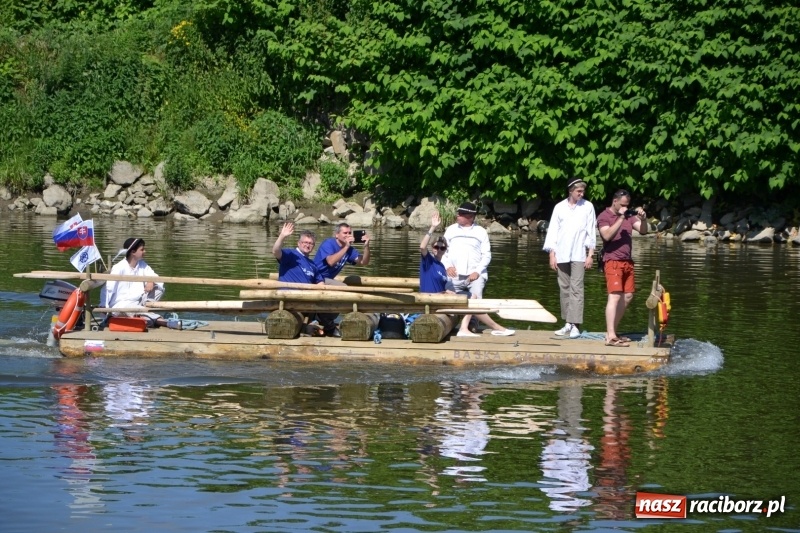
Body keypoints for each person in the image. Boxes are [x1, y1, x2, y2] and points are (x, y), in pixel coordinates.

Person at [443, 202, 514, 337]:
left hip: (475, 274)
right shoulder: (451, 230)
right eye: (458, 213)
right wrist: (448, 266)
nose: (457, 215)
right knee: (449, 299)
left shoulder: (480, 231)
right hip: (454, 274)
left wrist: (477, 271)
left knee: (476, 299)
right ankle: (485, 327)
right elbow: (442, 252)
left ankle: (471, 325)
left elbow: (487, 255)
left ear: (470, 216)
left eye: (461, 214)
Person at [542, 178, 597, 339]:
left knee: (577, 288)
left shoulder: (588, 207)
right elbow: (553, 231)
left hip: (579, 253)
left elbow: (590, 231)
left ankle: (576, 325)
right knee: (564, 287)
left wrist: (590, 255)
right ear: (570, 191)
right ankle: (567, 322)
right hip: (562, 252)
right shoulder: (559, 207)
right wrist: (552, 254)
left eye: (583, 191)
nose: (581, 194)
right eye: (578, 191)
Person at [596, 189, 647, 347]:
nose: (625, 207)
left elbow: (644, 231)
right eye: (623, 204)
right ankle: (610, 336)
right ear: (615, 201)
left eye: (628, 205)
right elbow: (606, 236)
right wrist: (621, 217)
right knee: (615, 296)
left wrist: (643, 219)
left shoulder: (629, 216)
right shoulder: (604, 216)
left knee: (628, 296)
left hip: (627, 262)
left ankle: (613, 332)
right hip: (612, 261)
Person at [312, 222, 371, 336]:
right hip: (316, 278)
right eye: (345, 233)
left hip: (327, 280)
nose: (348, 235)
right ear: (337, 235)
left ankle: (324, 319)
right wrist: (346, 247)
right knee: (344, 289)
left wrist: (366, 246)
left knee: (341, 294)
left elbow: (364, 262)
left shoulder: (349, 249)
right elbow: (330, 261)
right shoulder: (328, 243)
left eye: (349, 233)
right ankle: (326, 321)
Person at [102, 237, 173, 328]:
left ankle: (145, 310)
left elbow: (157, 278)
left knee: (159, 288)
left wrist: (151, 281)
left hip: (139, 302)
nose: (145, 252)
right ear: (133, 252)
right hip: (121, 305)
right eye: (142, 250)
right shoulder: (119, 267)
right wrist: (103, 305)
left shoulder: (142, 264)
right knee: (133, 309)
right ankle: (162, 321)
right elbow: (108, 288)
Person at [419, 213, 450, 293]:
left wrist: (446, 292)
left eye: (442, 248)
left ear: (445, 250)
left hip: (439, 301)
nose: (439, 250)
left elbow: (440, 287)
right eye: (436, 247)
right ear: (432, 247)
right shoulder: (428, 260)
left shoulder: (442, 267)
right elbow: (422, 247)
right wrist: (433, 227)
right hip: (427, 301)